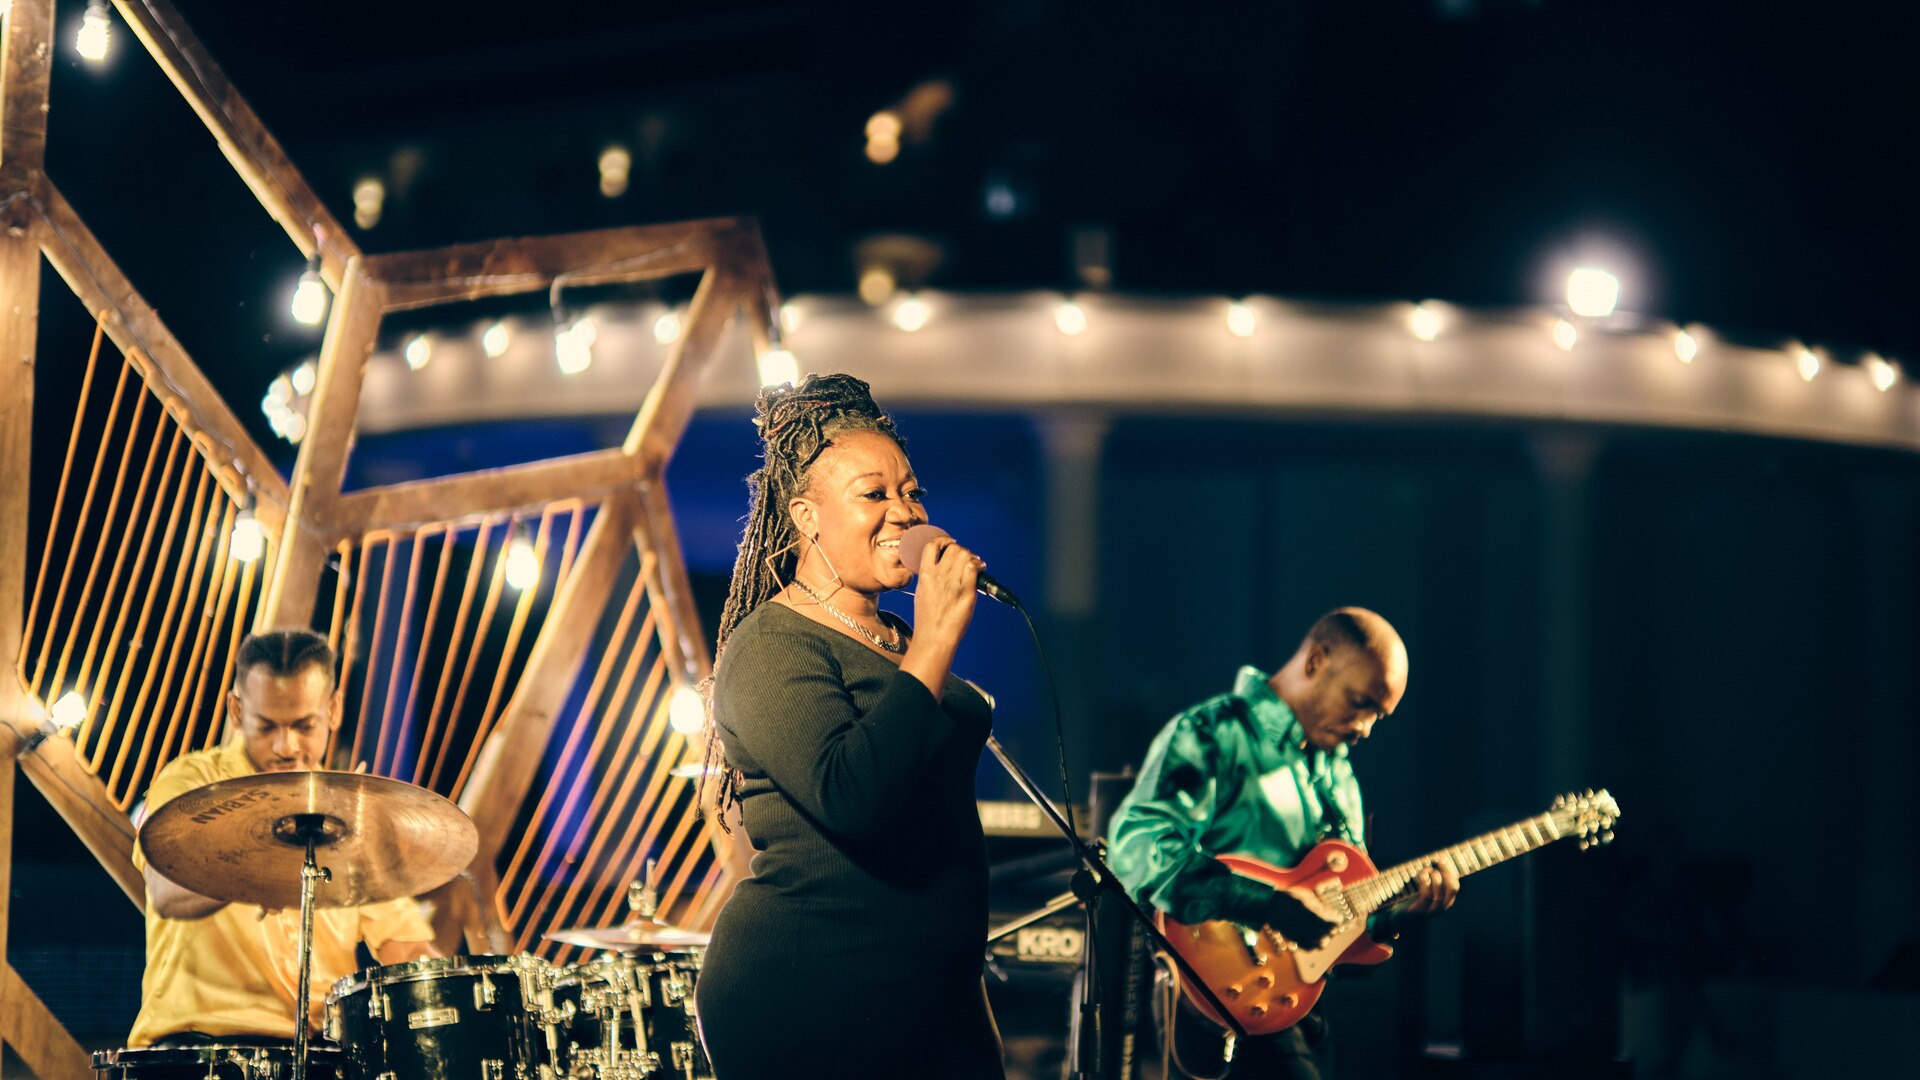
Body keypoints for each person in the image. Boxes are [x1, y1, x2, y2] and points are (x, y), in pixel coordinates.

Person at [694, 373, 1004, 1079]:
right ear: (806, 516)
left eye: (911, 492)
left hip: (931, 1001)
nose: (904, 512)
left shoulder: (896, 640)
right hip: (814, 997)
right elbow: (851, 794)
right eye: (874, 494)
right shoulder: (772, 643)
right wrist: (934, 643)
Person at [1106, 608, 1458, 1079]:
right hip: (1213, 1003)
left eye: (1379, 715)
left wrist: (1394, 915)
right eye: (1360, 703)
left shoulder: (1340, 774)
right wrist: (1266, 906)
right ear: (1315, 661)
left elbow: (1339, 922)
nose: (1366, 728)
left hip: (1300, 1008)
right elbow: (1137, 848)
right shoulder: (1216, 733)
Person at [128, 628, 437, 1048]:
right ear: (236, 712)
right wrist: (265, 865)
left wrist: (452, 986)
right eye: (267, 726)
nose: (286, 746)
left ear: (334, 710)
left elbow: (403, 945)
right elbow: (166, 893)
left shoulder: (352, 811)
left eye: (304, 725)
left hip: (321, 1052)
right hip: (199, 1048)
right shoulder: (192, 783)